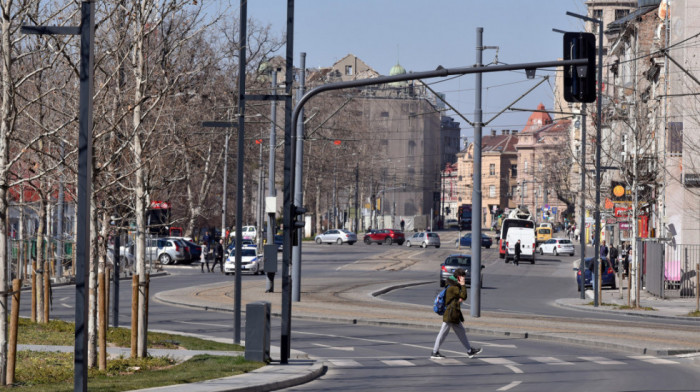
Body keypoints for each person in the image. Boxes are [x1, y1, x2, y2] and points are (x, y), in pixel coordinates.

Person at [431, 268, 482, 359]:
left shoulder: (454, 285)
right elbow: (464, 296)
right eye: (463, 277)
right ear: (458, 277)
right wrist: (463, 285)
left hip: (454, 314)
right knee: (442, 333)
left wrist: (459, 298)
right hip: (450, 315)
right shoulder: (453, 287)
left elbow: (460, 298)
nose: (464, 278)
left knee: (461, 332)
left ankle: (470, 351)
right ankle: (434, 352)